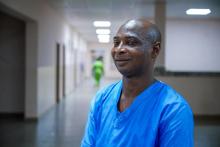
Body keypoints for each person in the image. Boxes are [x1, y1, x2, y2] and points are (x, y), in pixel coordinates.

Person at [81, 19, 194, 147]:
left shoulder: (173, 110)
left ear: (155, 50)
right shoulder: (101, 99)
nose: (119, 49)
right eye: (116, 43)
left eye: (131, 42)